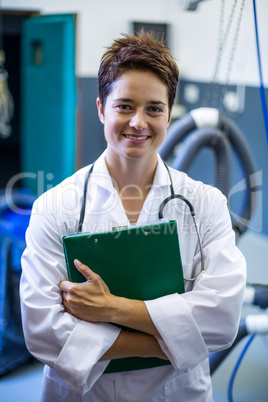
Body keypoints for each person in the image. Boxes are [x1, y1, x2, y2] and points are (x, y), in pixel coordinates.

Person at [20, 31, 246, 401]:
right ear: (100, 109)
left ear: (170, 114)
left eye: (154, 108)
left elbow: (221, 320)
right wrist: (167, 343)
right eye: (124, 106)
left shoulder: (206, 204)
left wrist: (111, 309)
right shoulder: (56, 205)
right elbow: (42, 331)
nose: (139, 122)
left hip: (174, 393)